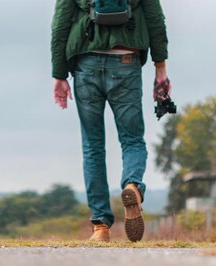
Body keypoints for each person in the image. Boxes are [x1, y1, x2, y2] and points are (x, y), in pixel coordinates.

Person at [51, 0, 170, 242]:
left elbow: (60, 24)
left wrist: (59, 74)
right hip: (126, 60)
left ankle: (101, 226)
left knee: (92, 147)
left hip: (86, 63)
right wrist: (160, 69)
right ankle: (133, 186)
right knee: (132, 140)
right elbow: (155, 19)